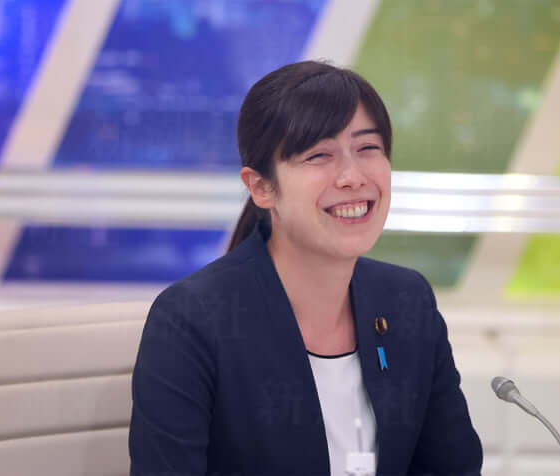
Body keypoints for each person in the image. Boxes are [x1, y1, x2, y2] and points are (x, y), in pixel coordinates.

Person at [129, 60, 483, 476]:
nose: (352, 176)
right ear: (262, 187)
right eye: (319, 155)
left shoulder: (407, 300)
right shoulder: (192, 320)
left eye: (367, 148)